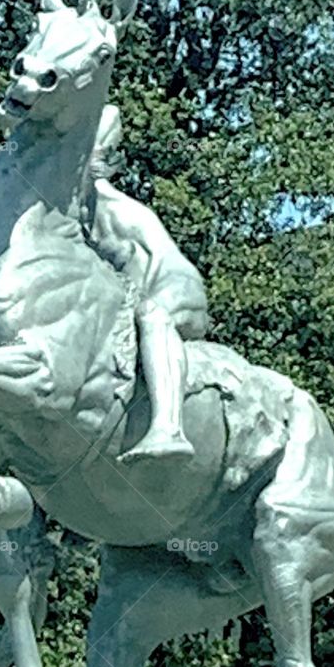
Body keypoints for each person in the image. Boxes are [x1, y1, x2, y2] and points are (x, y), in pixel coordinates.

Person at [84, 104, 209, 461]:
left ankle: (168, 428)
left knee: (152, 316)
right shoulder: (69, 214)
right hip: (133, 293)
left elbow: (142, 271)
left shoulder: (115, 210)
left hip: (173, 288)